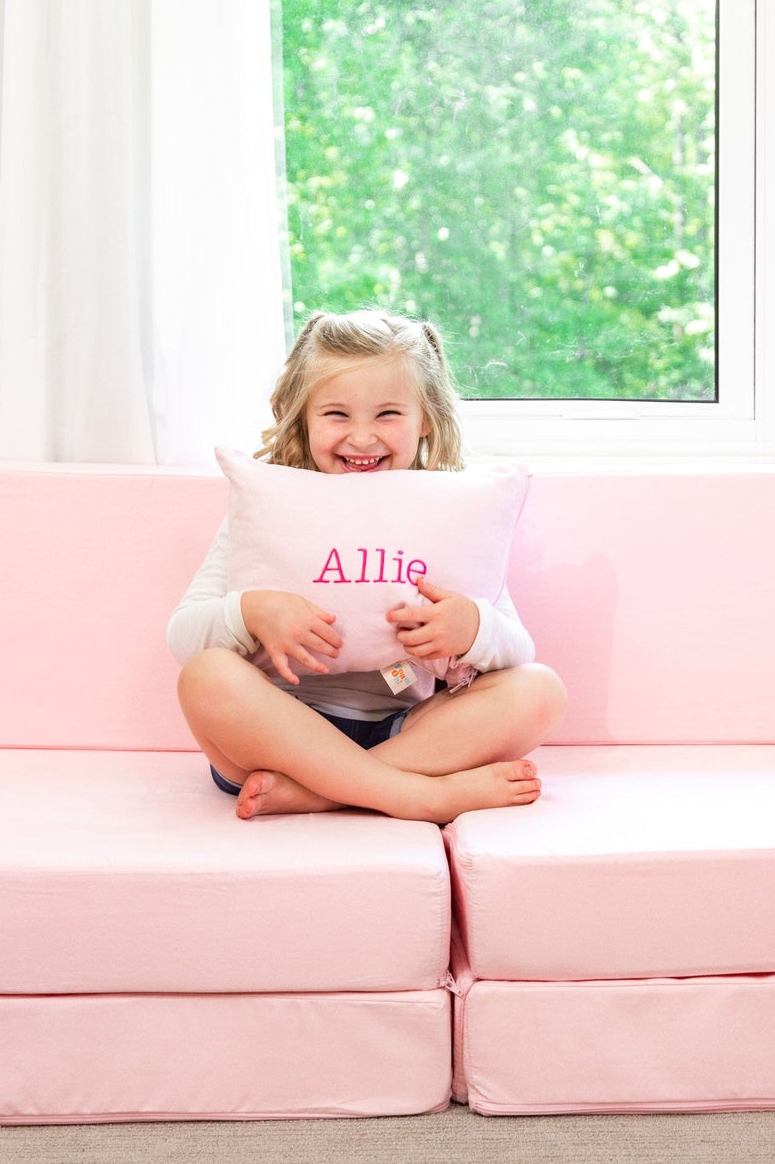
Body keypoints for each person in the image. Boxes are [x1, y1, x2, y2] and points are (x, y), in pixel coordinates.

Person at [167, 309, 567, 824]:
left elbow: (518, 648)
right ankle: (418, 797)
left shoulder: (450, 514)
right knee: (206, 676)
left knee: (539, 689)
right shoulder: (267, 508)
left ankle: (321, 793)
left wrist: (473, 628)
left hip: (409, 731)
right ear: (302, 416)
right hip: (276, 742)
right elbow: (183, 636)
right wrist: (250, 612)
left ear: (427, 418)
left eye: (387, 414)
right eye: (337, 414)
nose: (361, 437)